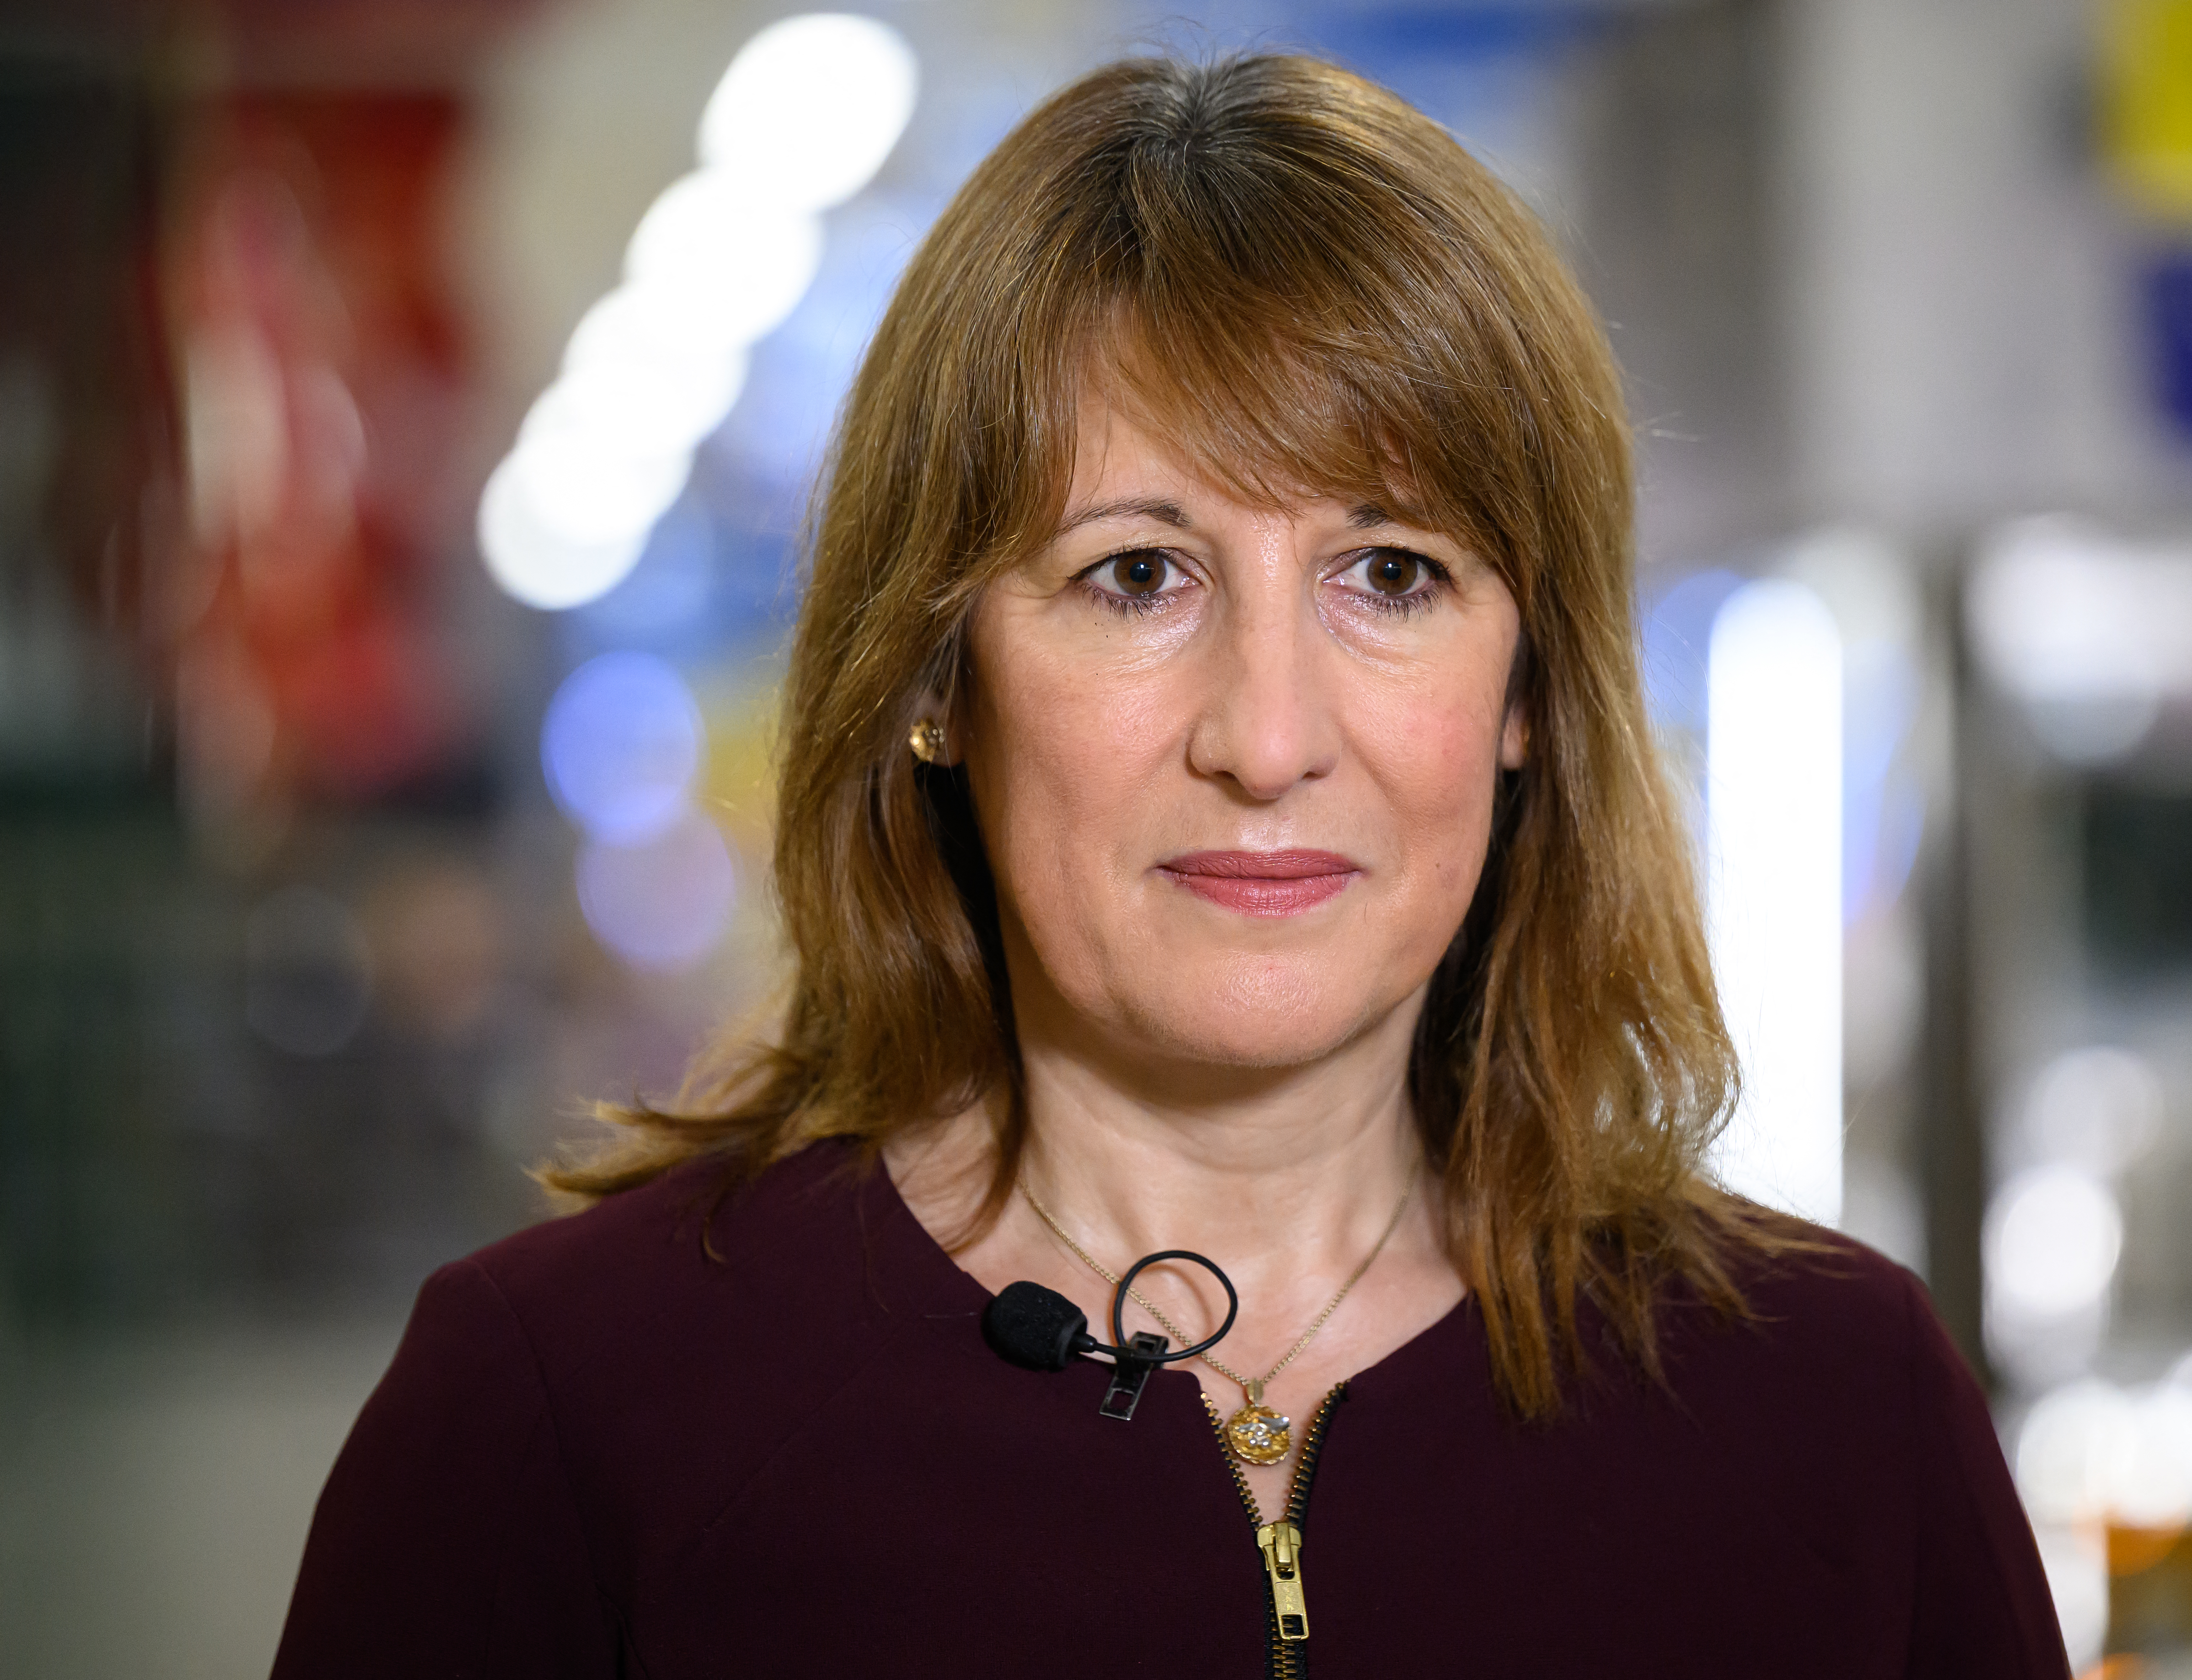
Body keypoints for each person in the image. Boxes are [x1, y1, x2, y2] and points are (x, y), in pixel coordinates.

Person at [274, 52, 2069, 1678]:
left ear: (1529, 695)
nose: (1269, 733)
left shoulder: (1835, 1413)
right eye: (1139, 575)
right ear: (934, 681)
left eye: (1392, 575)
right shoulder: (571, 1415)